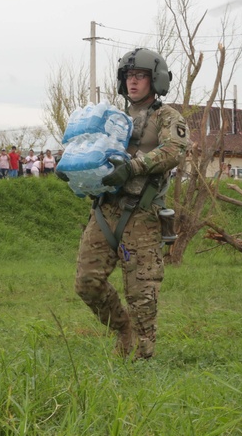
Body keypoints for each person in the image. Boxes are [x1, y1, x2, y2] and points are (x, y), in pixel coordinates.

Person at [71, 48, 187, 360]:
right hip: (104, 209)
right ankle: (124, 330)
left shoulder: (168, 117)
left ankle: (143, 355)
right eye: (129, 76)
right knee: (87, 282)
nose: (133, 82)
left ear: (155, 80)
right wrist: (76, 171)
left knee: (141, 293)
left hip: (141, 213)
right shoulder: (112, 118)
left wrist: (133, 167)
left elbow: (174, 151)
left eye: (140, 76)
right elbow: (85, 146)